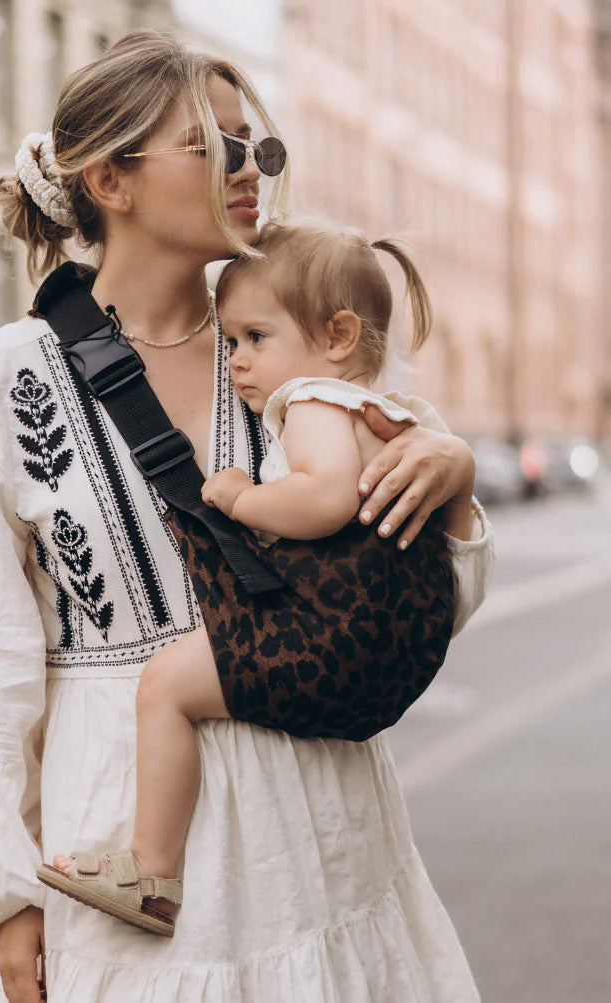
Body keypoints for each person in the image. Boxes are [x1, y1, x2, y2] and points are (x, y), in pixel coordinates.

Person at [0, 28, 494, 1003]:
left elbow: (418, 599)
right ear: (112, 179)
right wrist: (6, 898)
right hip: (135, 863)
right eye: (211, 146)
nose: (249, 169)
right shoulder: (0, 380)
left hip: (323, 842)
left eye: (254, 145)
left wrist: (450, 476)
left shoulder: (295, 340)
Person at [37, 219, 467, 938]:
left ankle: (151, 869)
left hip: (329, 631)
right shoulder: (393, 416)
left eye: (254, 339)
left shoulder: (312, 402)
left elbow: (326, 496)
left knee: (167, 685)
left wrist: (241, 497)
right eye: (230, 340)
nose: (236, 361)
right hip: (392, 643)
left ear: (336, 336)